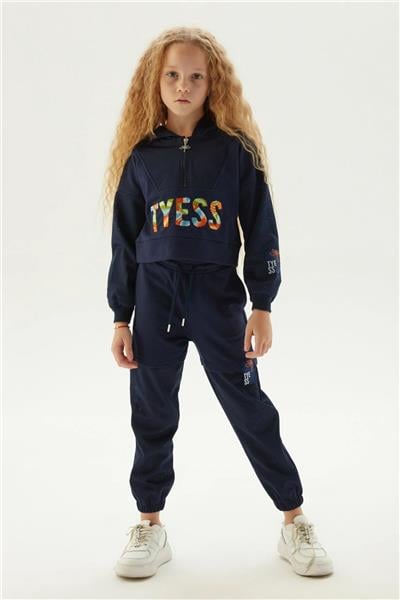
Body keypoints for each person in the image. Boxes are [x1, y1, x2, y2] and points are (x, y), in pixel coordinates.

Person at [104, 26, 334, 579]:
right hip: (154, 302)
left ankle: (294, 519)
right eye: (172, 75)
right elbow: (124, 243)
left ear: (213, 85)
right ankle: (149, 525)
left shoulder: (235, 153)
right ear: (155, 82)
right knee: (152, 412)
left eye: (195, 77)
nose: (183, 86)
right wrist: (120, 317)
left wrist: (263, 304)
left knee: (250, 407)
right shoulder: (141, 158)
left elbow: (261, 229)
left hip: (217, 299)